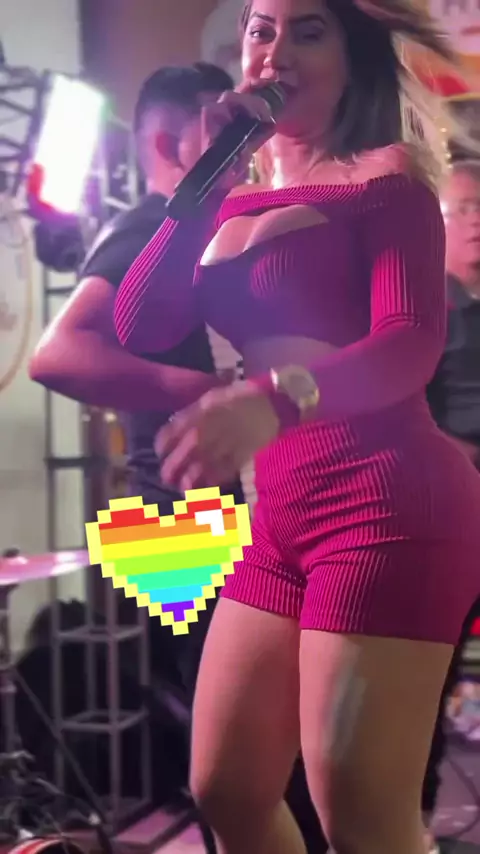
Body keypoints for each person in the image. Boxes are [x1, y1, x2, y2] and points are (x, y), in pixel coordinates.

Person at [113, 2, 480, 854]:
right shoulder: (230, 194)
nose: (275, 50)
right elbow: (141, 320)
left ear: (353, 57)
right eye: (261, 29)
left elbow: (409, 343)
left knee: (360, 819)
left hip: (388, 505)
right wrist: (207, 177)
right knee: (227, 788)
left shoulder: (388, 179)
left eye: (308, 31)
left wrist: (274, 400)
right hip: (280, 515)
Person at [29, 60, 324, 852]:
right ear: (168, 142)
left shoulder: (211, 227)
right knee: (249, 760)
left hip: (188, 510)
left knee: (254, 752)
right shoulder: (147, 225)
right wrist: (211, 386)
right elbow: (55, 354)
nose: (242, 141)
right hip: (177, 517)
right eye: (216, 126)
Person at [422, 159, 480, 835]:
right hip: (446, 512)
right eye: (460, 208)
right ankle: (413, 820)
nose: (475, 222)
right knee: (426, 677)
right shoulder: (420, 309)